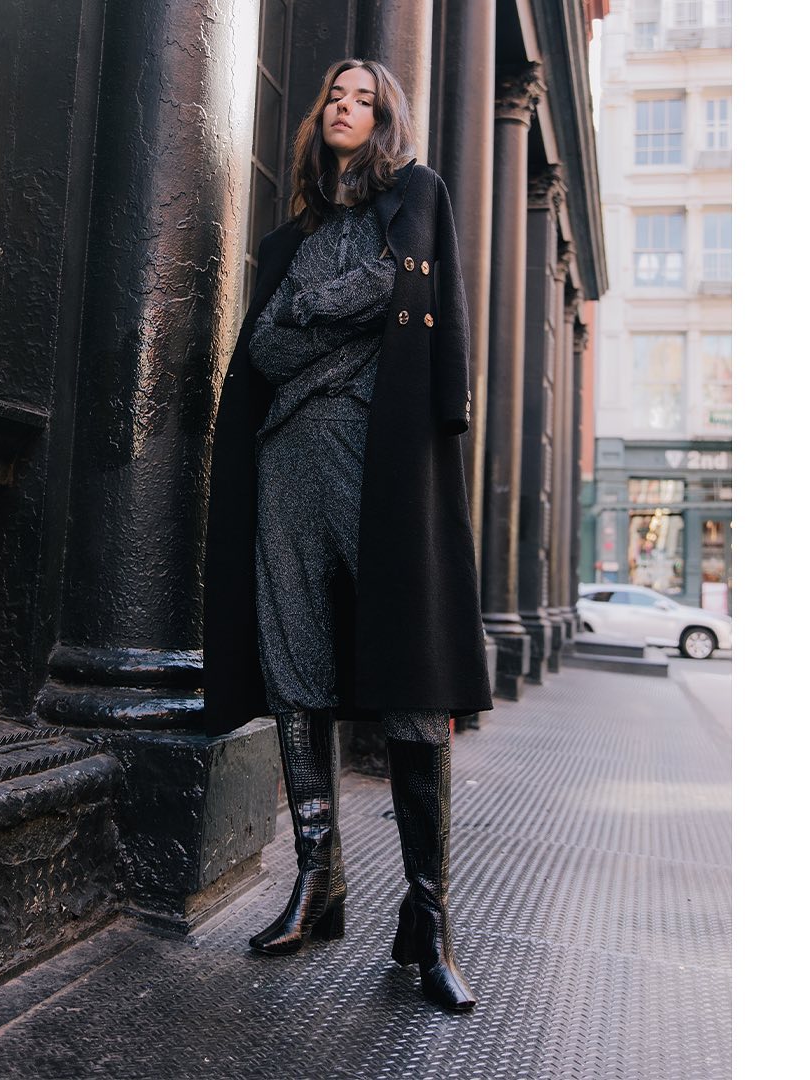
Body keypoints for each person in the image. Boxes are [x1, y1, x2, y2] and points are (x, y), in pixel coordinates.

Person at [203, 58, 492, 1013]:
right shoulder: (292, 239)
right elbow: (264, 351)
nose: (345, 108)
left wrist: (314, 312)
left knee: (412, 684)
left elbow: (396, 294)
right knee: (297, 673)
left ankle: (429, 917)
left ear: (389, 119)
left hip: (379, 470)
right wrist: (329, 310)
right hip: (285, 464)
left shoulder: (413, 203)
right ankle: (317, 880)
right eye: (333, 96)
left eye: (365, 100)